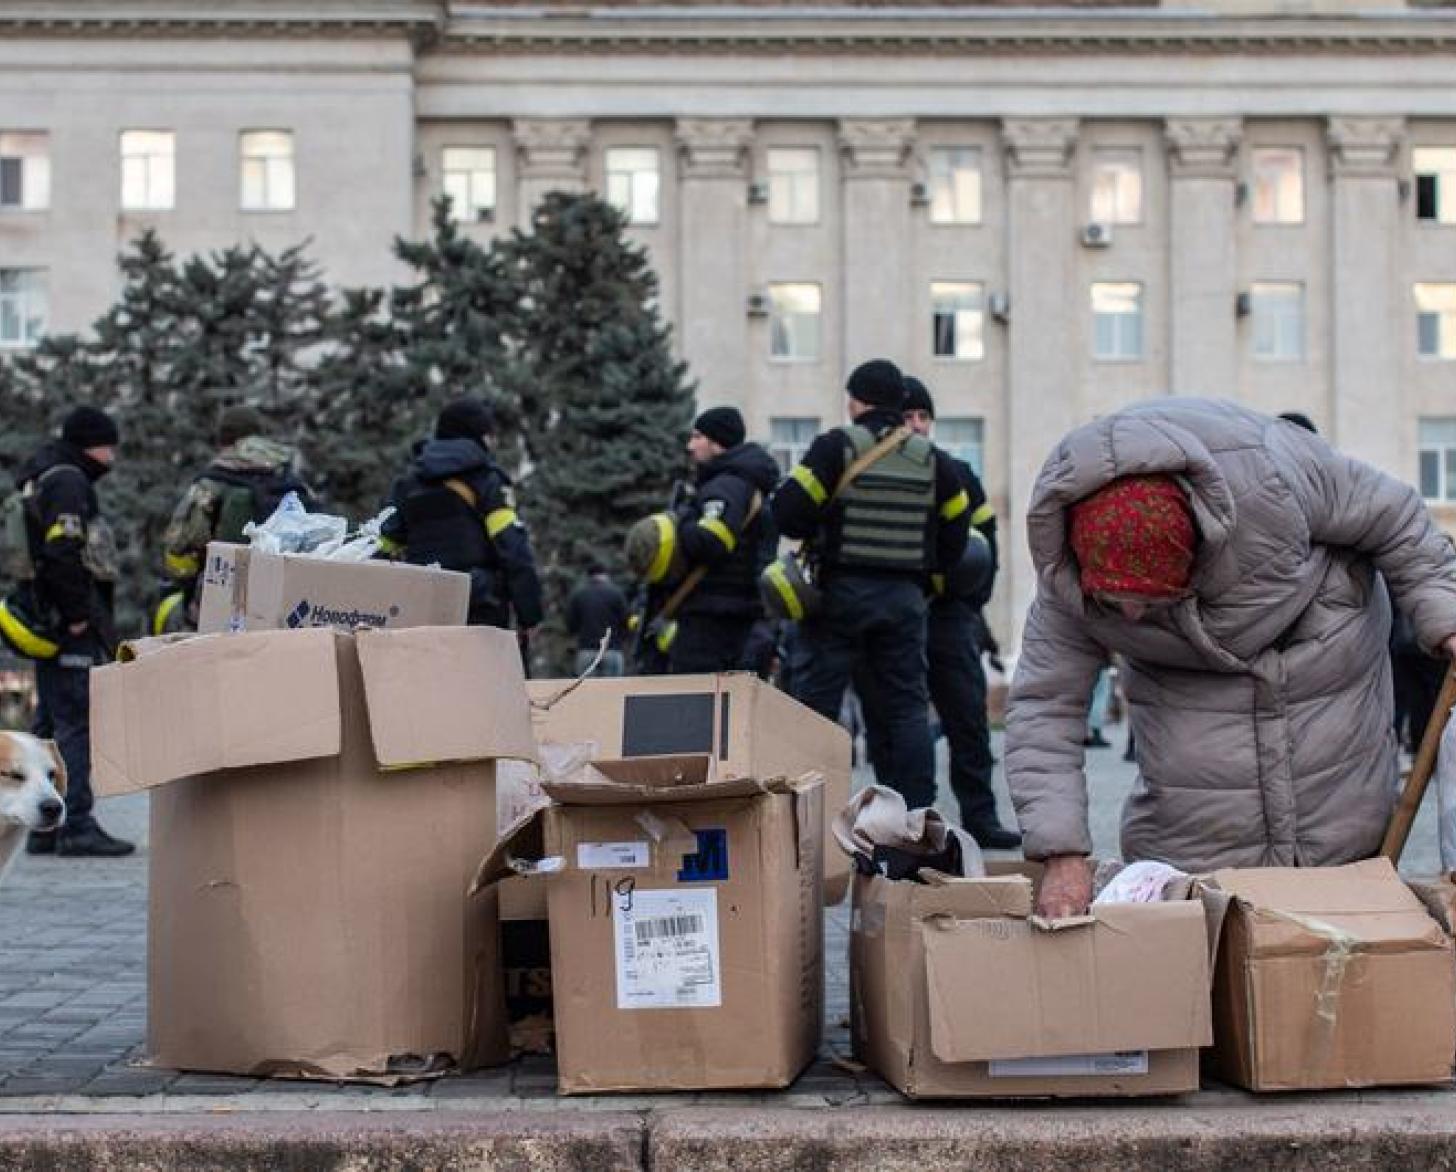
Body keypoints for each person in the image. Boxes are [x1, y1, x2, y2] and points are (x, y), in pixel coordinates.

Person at [1006, 398, 1456, 919]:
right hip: (1195, 822)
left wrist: (1445, 619)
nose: (1128, 616)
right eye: (1113, 599)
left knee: (1341, 922)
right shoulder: (1072, 575)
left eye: (1150, 599)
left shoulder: (1276, 469)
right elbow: (1044, 707)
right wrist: (1061, 853)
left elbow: (1398, 518)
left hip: (1322, 681)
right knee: (1205, 939)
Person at [771, 359, 971, 809]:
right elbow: (958, 533)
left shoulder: (833, 448)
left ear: (855, 402)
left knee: (817, 709)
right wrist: (923, 573)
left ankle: (809, 813)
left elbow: (788, 513)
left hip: (837, 598)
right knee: (905, 710)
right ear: (901, 405)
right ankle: (915, 817)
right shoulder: (932, 460)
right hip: (903, 600)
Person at [858, 376, 1020, 849]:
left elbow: (986, 542)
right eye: (908, 417)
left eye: (923, 417)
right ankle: (902, 820)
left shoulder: (957, 473)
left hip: (949, 616)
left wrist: (970, 599)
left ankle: (981, 817)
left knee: (967, 718)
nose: (916, 425)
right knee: (890, 721)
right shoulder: (877, 474)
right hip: (892, 615)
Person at [22, 407, 134, 857]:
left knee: (50, 721)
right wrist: (76, 614)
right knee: (75, 722)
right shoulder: (69, 481)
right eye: (109, 444)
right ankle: (76, 824)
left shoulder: (48, 475)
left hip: (48, 616)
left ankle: (43, 824)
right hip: (67, 623)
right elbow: (62, 551)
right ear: (92, 443)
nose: (113, 454)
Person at [379, 398, 543, 634]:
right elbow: (513, 548)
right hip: (479, 605)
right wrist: (530, 614)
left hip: (420, 605)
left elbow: (382, 547)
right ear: (478, 435)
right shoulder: (487, 480)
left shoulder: (407, 484)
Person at [157, 404, 313, 633]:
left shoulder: (212, 482)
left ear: (223, 440)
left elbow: (180, 549)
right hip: (288, 603)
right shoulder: (290, 477)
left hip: (224, 602)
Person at [666, 407, 781, 674]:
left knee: (696, 706)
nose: (690, 446)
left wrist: (680, 522)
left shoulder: (725, 486)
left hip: (713, 618)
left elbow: (712, 542)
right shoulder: (742, 483)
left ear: (717, 442)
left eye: (697, 437)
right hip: (735, 614)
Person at [566, 564, 628, 677]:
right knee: (613, 691)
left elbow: (571, 625)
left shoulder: (578, 595)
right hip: (611, 650)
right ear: (606, 575)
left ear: (588, 576)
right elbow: (625, 622)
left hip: (586, 651)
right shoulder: (617, 594)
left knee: (588, 692)